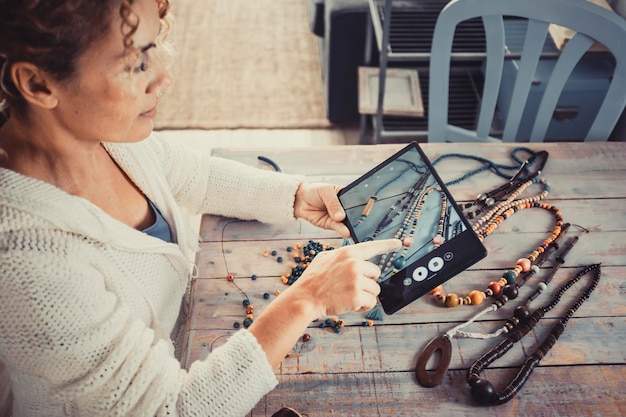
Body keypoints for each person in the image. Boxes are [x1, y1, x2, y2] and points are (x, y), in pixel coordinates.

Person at [0, 0, 401, 416]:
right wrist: (307, 298)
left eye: (153, 49)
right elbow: (172, 409)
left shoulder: (100, 134)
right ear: (37, 84)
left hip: (190, 346)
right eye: (133, 65)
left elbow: (196, 176)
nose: (163, 78)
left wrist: (296, 195)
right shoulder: (26, 260)